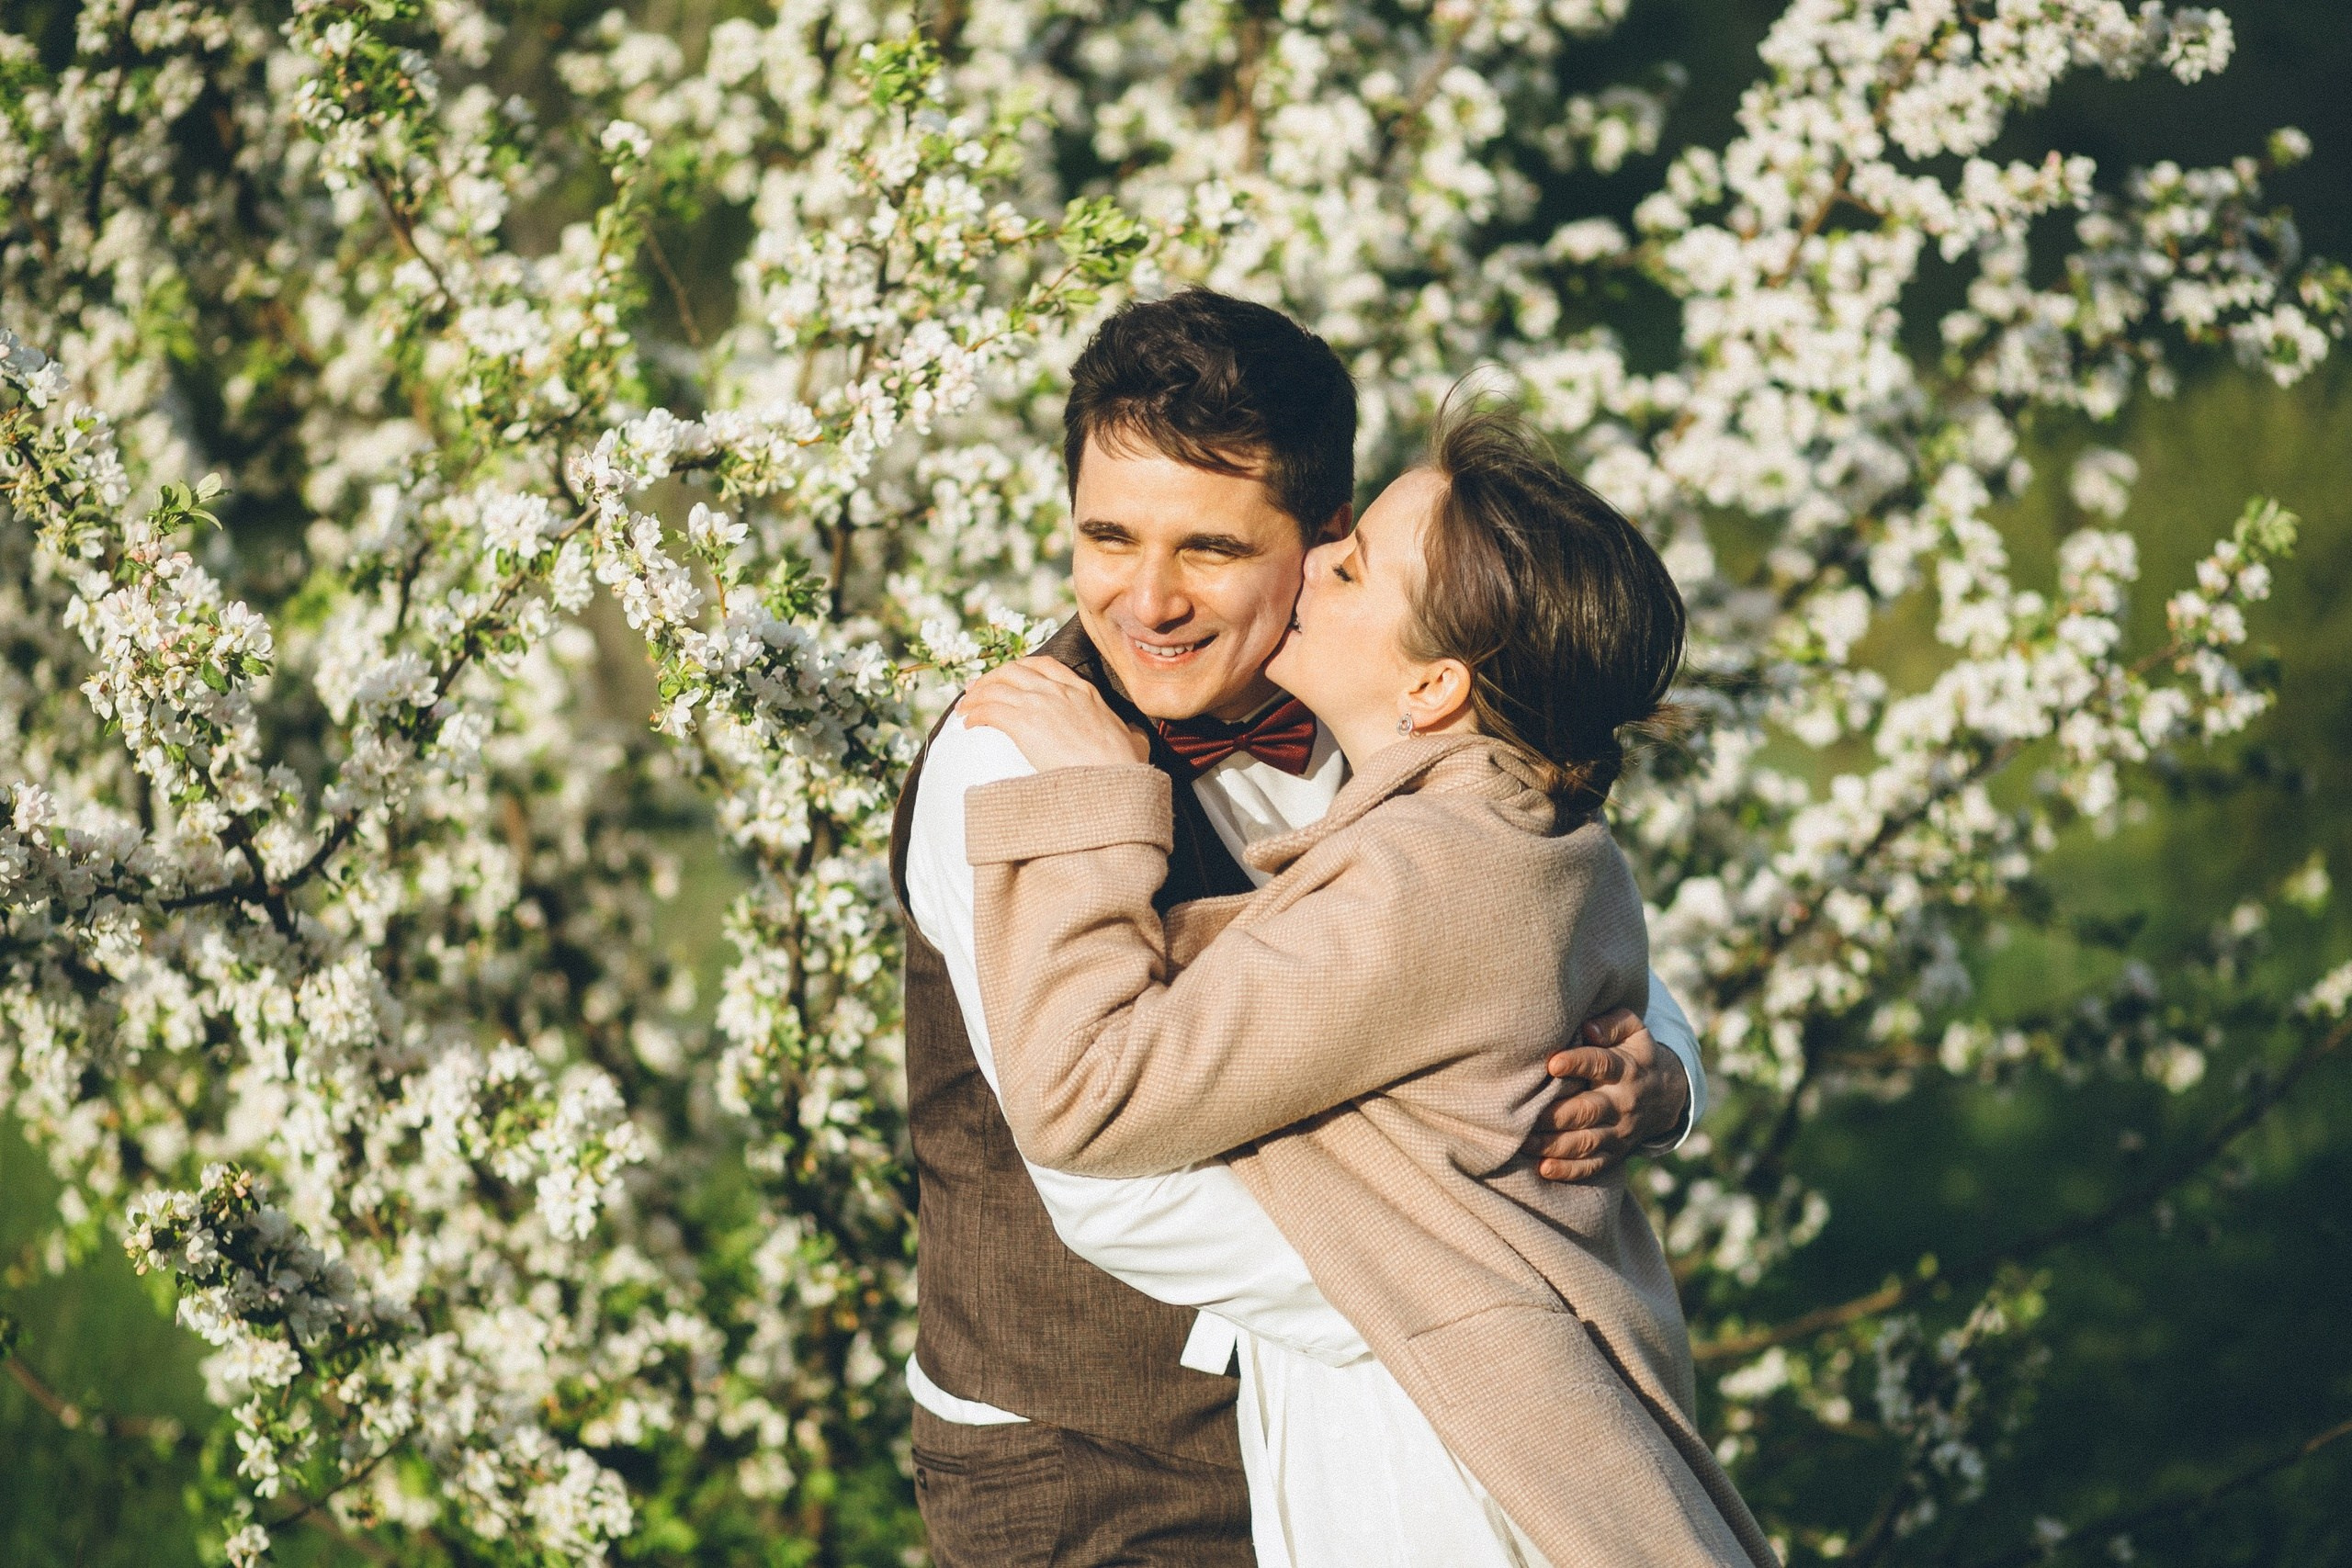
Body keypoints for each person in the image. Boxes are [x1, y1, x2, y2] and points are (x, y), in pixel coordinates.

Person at [890, 289, 1710, 1565]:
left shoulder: (1390, 699)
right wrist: (1489, 1284)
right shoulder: (1008, 769)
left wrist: (1663, 1071)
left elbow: (1554, 905)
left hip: (1372, 1432)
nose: (1147, 602)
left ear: (1324, 544)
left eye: (1211, 550)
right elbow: (1113, 1190)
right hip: (1092, 1461)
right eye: (1109, 538)